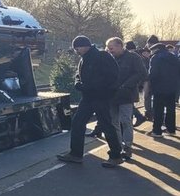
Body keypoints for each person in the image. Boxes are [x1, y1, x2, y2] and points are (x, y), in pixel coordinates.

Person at [58, 35, 124, 167]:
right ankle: (76, 154)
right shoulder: (84, 59)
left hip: (101, 96)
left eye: (77, 48)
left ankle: (116, 155)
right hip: (88, 97)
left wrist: (94, 88)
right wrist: (78, 82)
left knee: (106, 124)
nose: (76, 50)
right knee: (77, 123)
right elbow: (79, 75)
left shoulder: (102, 56)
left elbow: (112, 76)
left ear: (85, 46)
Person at [106, 37, 147, 159]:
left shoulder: (133, 58)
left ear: (120, 45)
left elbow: (142, 73)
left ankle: (127, 146)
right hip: (112, 95)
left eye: (111, 47)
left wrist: (127, 85)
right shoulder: (109, 58)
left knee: (126, 121)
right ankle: (117, 146)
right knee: (114, 122)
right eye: (108, 48)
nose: (110, 50)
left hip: (126, 95)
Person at [146, 42, 180, 137]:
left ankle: (157, 130)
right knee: (171, 109)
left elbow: (153, 73)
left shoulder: (155, 58)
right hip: (173, 87)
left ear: (156, 49)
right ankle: (171, 129)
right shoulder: (174, 57)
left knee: (158, 110)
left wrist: (148, 81)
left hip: (159, 87)